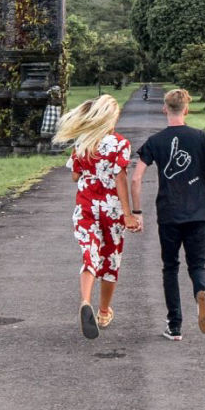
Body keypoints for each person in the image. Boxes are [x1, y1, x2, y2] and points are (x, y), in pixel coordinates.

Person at [130, 88, 205, 341]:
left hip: (169, 214)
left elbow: (135, 178)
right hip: (199, 213)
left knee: (170, 267)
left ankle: (175, 325)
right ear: (186, 109)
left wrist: (137, 211)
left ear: (164, 109)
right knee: (198, 264)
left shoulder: (155, 141)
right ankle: (202, 291)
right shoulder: (202, 137)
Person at [52, 94, 143, 339]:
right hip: (111, 209)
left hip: (85, 206)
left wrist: (90, 172)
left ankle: (85, 301)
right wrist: (128, 214)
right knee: (110, 258)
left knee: (90, 255)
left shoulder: (83, 142)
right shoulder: (120, 144)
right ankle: (103, 311)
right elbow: (120, 177)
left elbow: (74, 176)